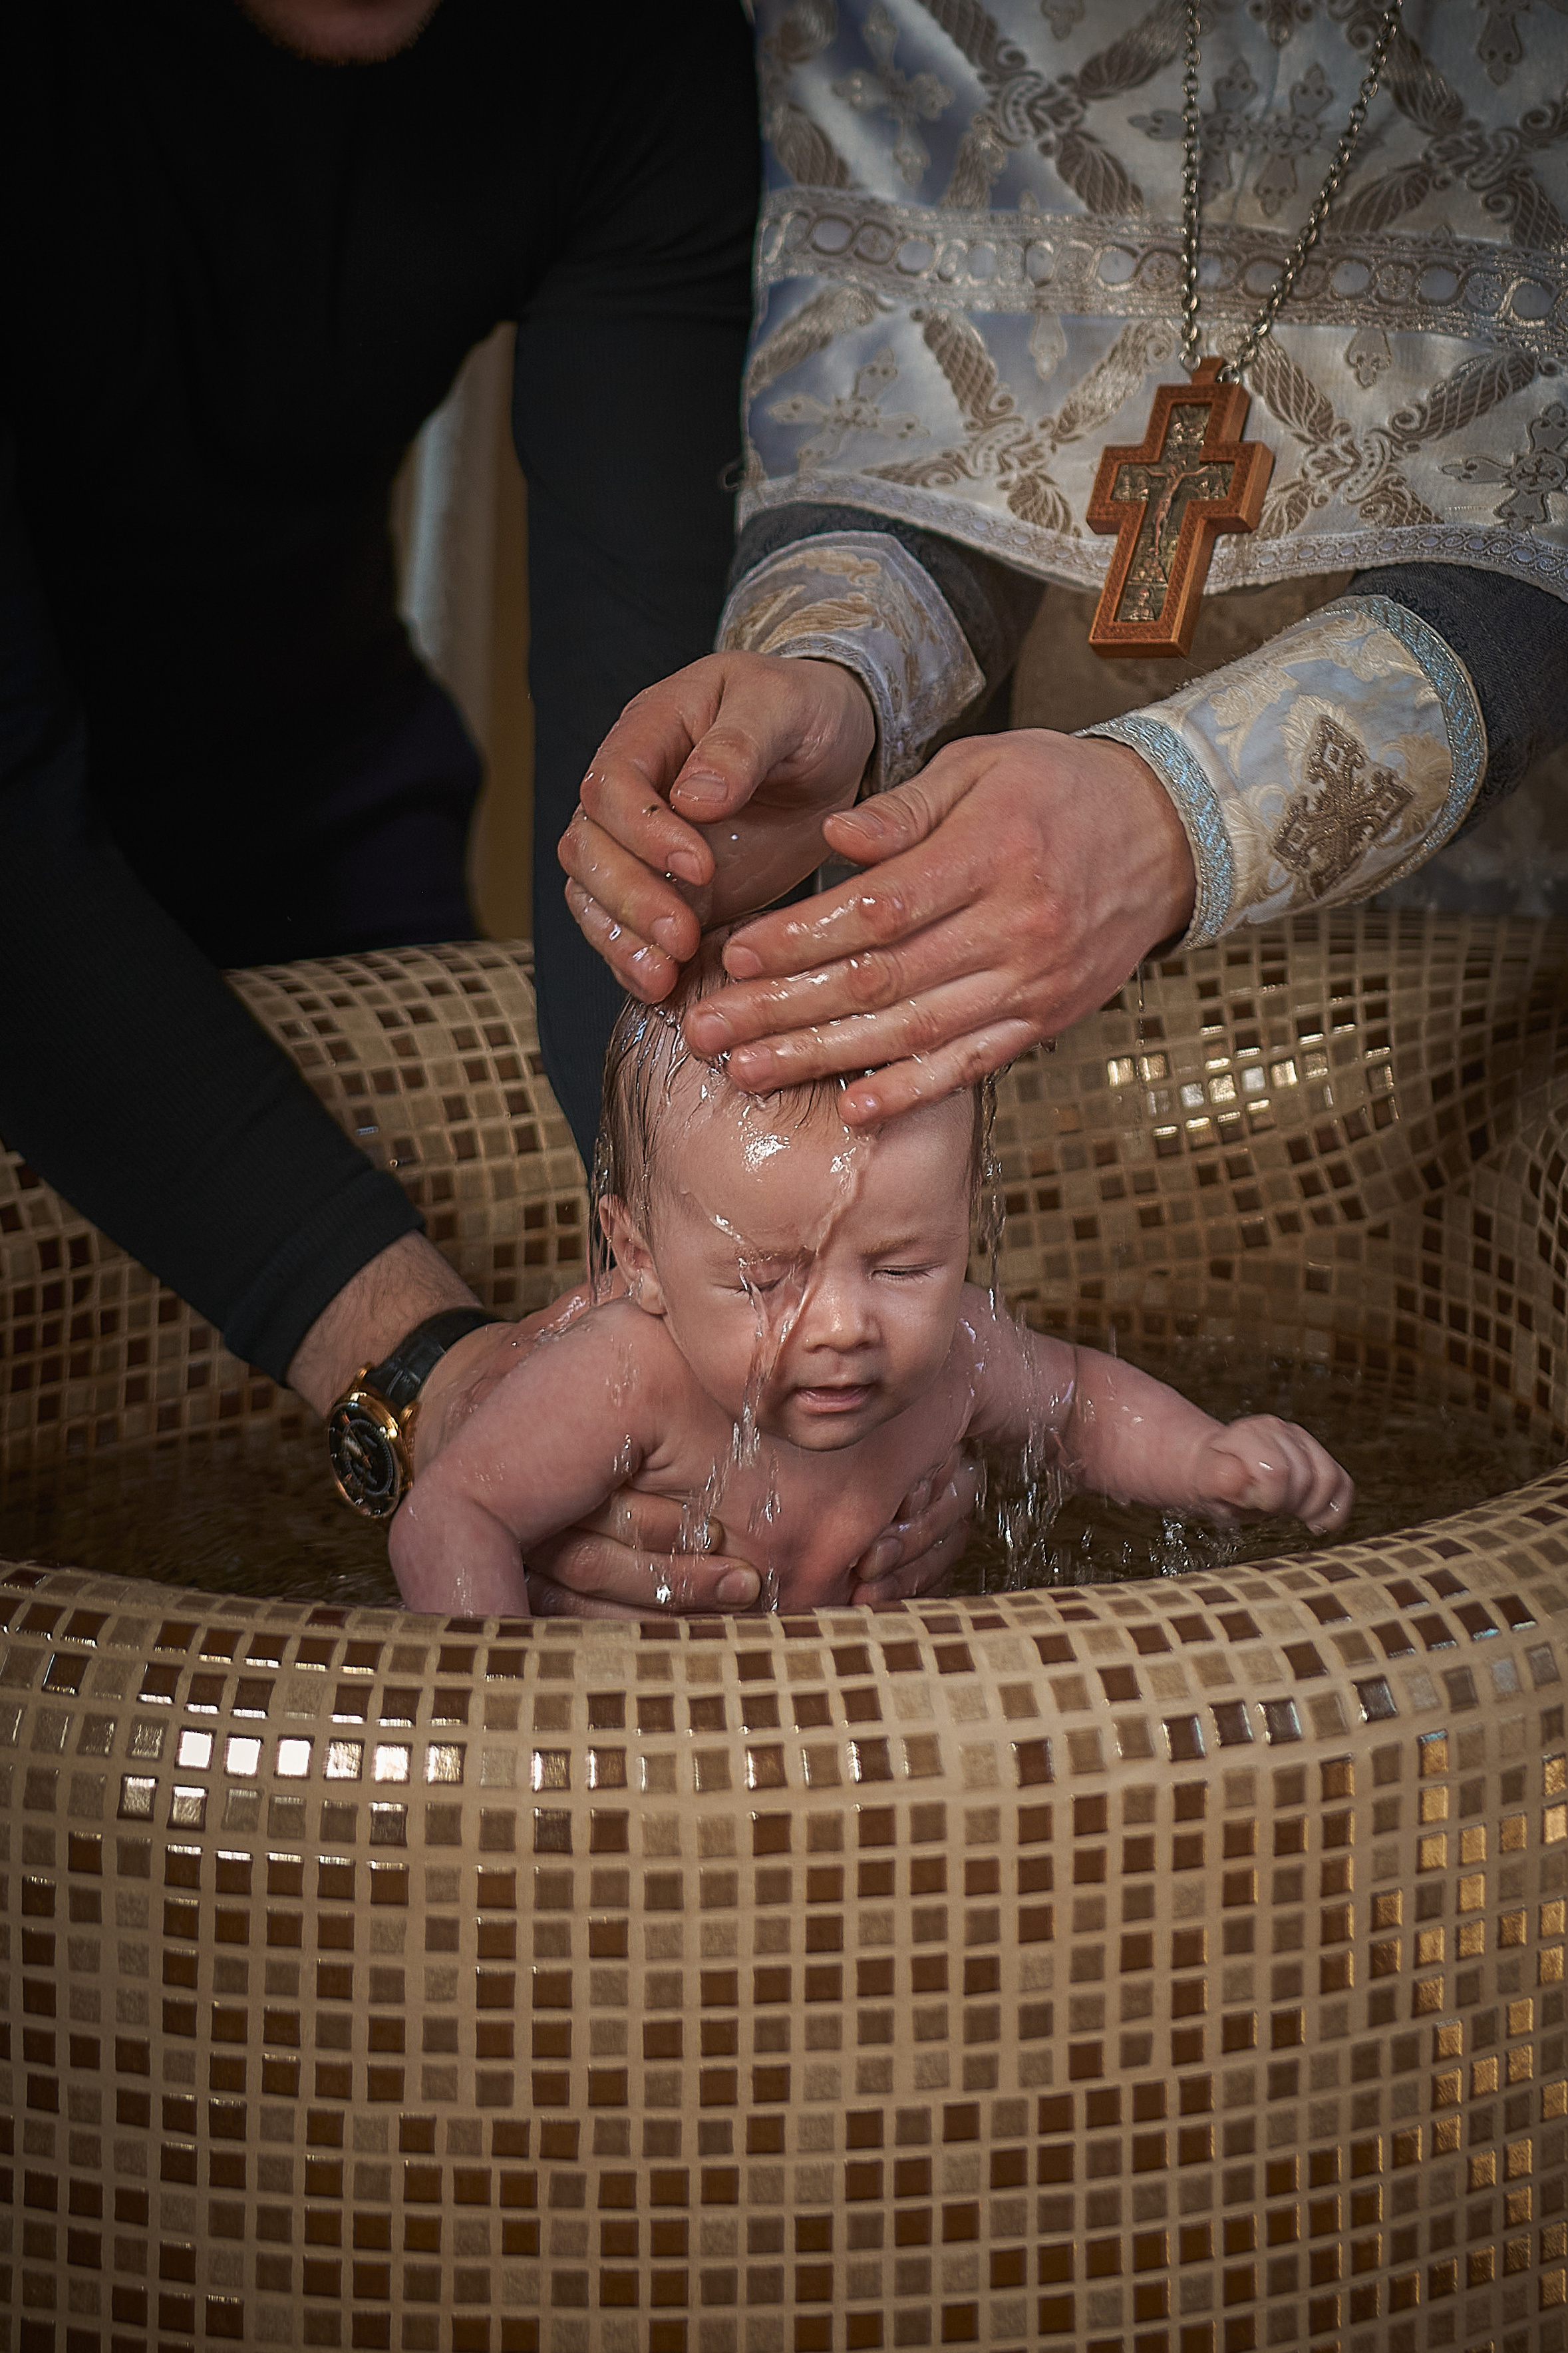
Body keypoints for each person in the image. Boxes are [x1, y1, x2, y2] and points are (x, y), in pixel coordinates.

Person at [0, 0, 968, 1610]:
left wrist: (715, 1386)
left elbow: (652, 785)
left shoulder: (627, 47)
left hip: (316, 809)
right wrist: (421, 1371)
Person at [561, 0, 1568, 1123]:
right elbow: (924, 393)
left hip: (1537, 955)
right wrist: (833, 665)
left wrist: (1181, 812)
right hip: (1022, 953)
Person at [389, 956, 1352, 1615]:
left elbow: (1083, 1408)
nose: (845, 1325)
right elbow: (450, 1513)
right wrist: (503, 1715)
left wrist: (1209, 1460)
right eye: (766, 1281)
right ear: (638, 1258)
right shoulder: (625, 1380)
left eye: (903, 1267)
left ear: (968, 1221)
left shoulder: (960, 1357)